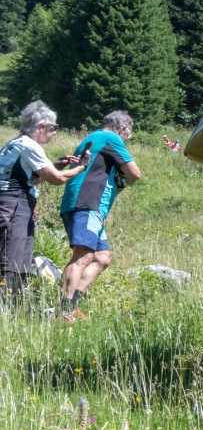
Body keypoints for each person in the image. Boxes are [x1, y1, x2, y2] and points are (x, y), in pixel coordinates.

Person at [0, 102, 90, 308]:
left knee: (21, 258)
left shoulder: (15, 143)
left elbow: (32, 178)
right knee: (12, 258)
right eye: (54, 127)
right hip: (14, 203)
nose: (55, 133)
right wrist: (82, 167)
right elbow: (57, 179)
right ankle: (5, 309)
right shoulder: (28, 145)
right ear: (42, 127)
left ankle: (15, 308)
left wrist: (57, 165)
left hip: (16, 202)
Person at [57, 111, 142, 321]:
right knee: (83, 256)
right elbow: (134, 173)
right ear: (124, 128)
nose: (126, 138)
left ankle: (75, 303)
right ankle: (63, 310)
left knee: (102, 258)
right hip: (87, 202)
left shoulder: (92, 138)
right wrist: (124, 180)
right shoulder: (110, 138)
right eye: (127, 134)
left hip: (91, 206)